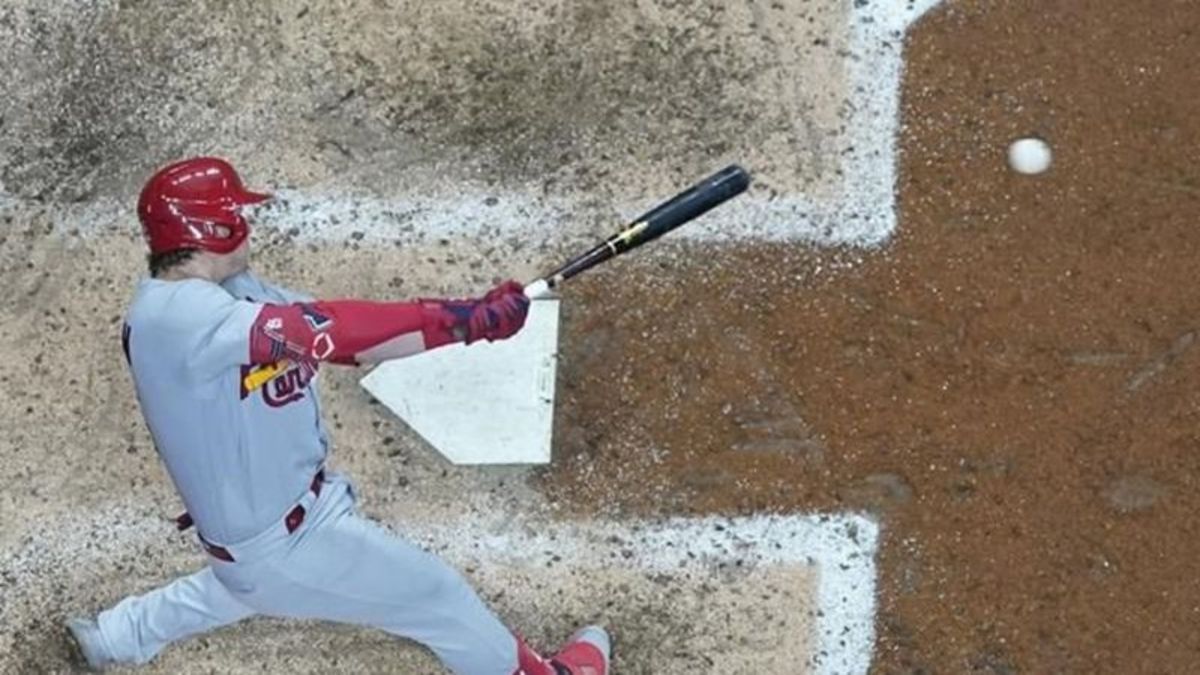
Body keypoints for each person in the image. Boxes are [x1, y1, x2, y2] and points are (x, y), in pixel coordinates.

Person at [65, 157, 610, 675]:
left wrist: (471, 324)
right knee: (435, 596)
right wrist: (457, 318)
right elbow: (323, 329)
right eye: (237, 214)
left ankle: (115, 636)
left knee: (241, 585)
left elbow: (348, 344)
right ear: (213, 227)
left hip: (281, 526)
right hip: (282, 545)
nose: (247, 223)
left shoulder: (232, 294)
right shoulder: (172, 314)